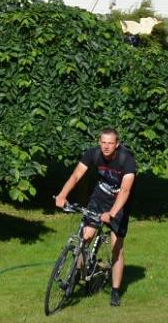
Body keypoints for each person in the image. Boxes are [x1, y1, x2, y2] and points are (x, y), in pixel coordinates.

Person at [55, 129, 137, 307]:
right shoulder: (93, 154)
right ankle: (76, 275)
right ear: (99, 142)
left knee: (117, 248)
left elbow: (125, 191)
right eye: (103, 142)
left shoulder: (126, 160)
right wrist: (62, 195)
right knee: (85, 236)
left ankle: (115, 291)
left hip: (119, 204)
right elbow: (76, 175)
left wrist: (112, 213)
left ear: (117, 144)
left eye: (110, 143)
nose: (106, 146)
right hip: (99, 198)